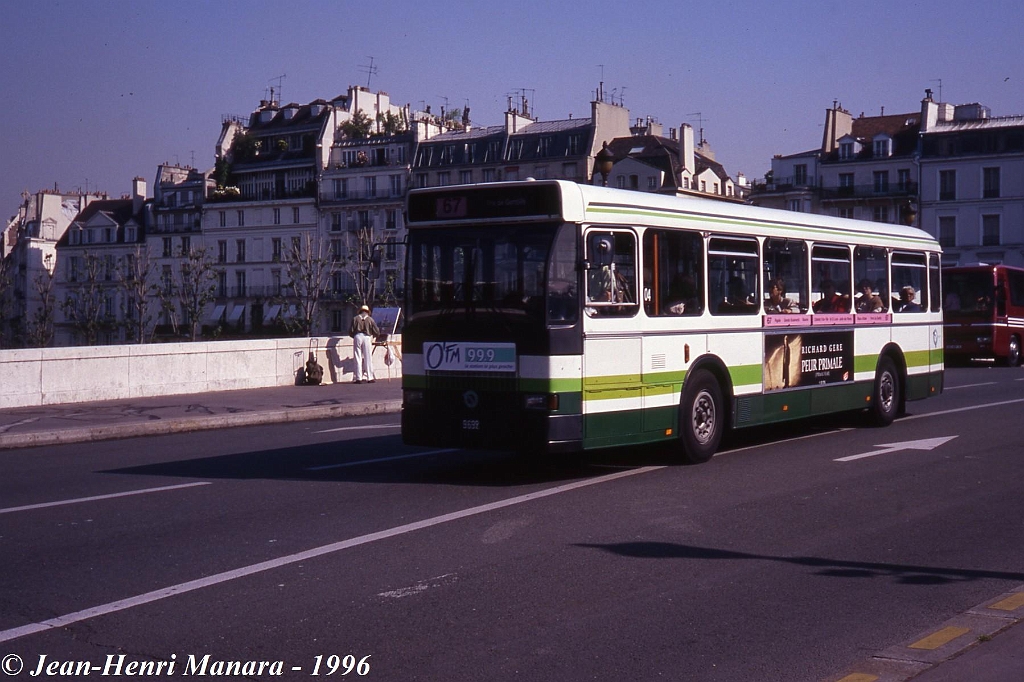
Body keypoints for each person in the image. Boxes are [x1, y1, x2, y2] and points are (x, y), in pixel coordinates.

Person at [350, 304, 380, 383]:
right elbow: (377, 331)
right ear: (367, 312)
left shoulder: (355, 319)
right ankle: (369, 377)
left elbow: (351, 331)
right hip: (367, 337)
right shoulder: (370, 319)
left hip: (357, 336)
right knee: (368, 357)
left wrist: (355, 336)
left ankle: (358, 378)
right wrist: (374, 335)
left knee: (357, 357)